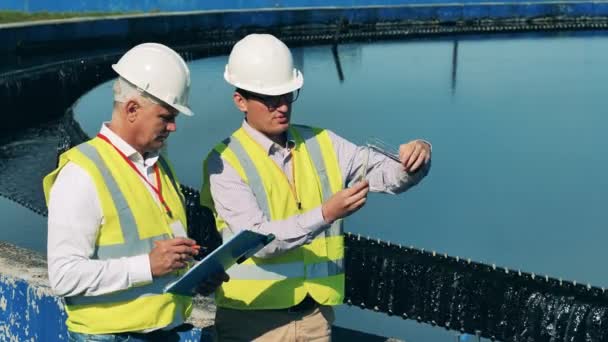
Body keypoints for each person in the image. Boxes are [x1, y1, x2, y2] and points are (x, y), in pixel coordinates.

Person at [200, 33, 431, 341]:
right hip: (252, 322)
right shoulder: (224, 162)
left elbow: (386, 176)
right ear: (240, 100)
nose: (282, 106)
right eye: (270, 99)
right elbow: (259, 242)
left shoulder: (322, 142)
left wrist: (417, 159)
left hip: (315, 318)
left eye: (288, 95)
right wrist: (326, 213)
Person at [44, 43, 227, 341]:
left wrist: (193, 275)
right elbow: (64, 276)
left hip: (163, 333)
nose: (173, 127)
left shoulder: (159, 167)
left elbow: (153, 254)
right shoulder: (82, 173)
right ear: (132, 109)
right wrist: (148, 266)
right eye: (166, 117)